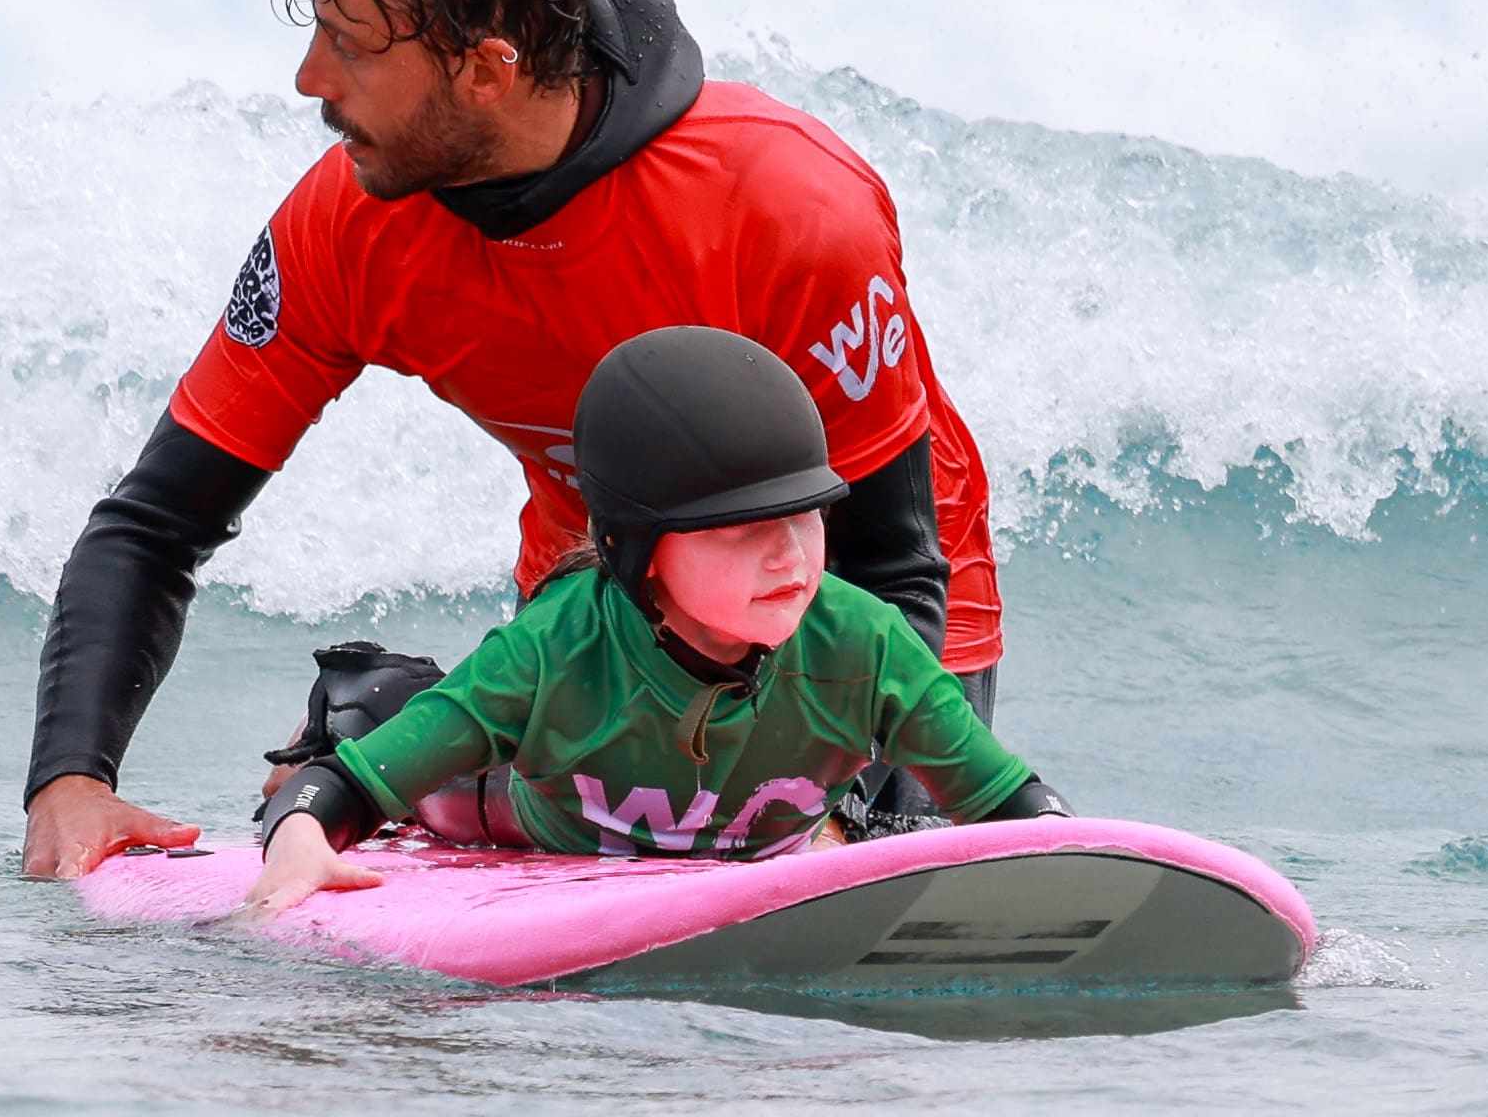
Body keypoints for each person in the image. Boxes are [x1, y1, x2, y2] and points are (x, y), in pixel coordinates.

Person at [18, 0, 1005, 877]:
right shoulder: (347, 225)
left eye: (349, 46)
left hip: (874, 635)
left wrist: (837, 809)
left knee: (840, 852)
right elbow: (156, 521)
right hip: (600, 619)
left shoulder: (784, 206)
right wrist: (73, 781)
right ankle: (371, 723)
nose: (310, 79)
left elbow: (897, 562)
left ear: (486, 70)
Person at [245, 329, 1056, 915]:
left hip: (721, 831)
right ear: (642, 553)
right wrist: (303, 836)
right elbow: (343, 791)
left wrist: (1075, 856)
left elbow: (1010, 799)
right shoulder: (552, 654)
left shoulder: (863, 645)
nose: (792, 558)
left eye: (806, 517)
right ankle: (355, 694)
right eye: (742, 530)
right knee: (418, 752)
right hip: (520, 815)